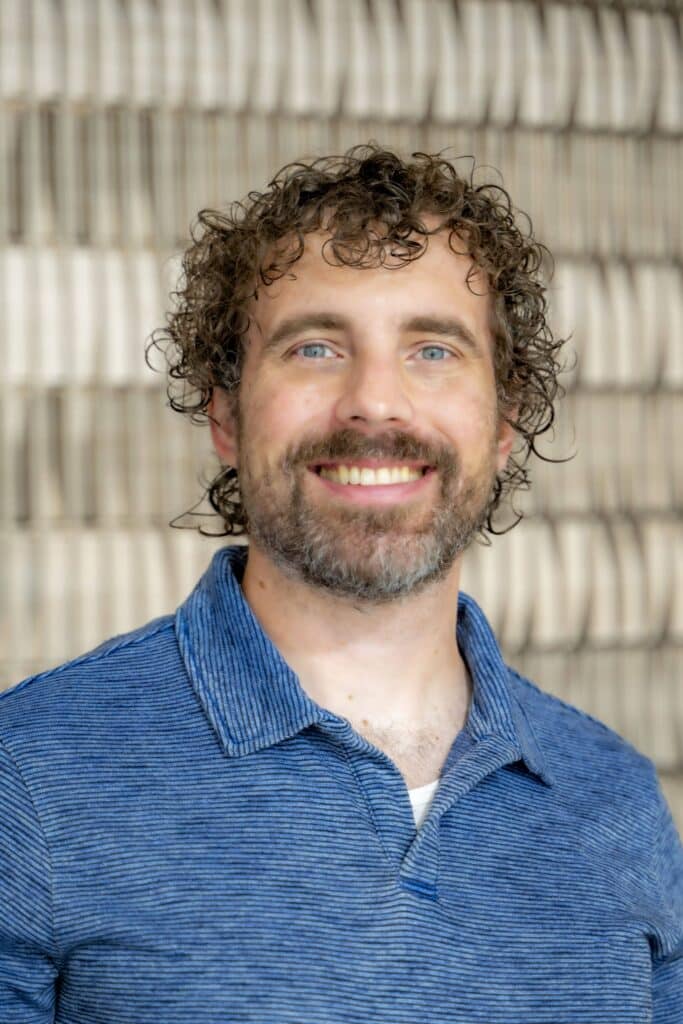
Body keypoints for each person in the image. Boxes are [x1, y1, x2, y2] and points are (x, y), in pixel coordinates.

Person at [0, 145, 680, 1023]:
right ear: (225, 414)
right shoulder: (28, 776)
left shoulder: (613, 800)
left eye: (432, 350)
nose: (374, 402)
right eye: (315, 347)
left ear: (504, 423)